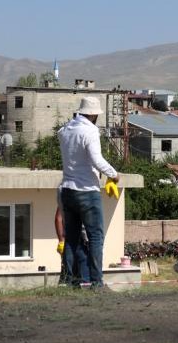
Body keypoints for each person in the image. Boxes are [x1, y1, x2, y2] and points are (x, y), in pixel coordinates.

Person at [58, 96, 119, 289]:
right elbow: (96, 159)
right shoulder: (90, 131)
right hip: (87, 191)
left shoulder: (65, 130)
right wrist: (113, 174)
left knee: (71, 238)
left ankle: (69, 280)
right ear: (93, 114)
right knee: (95, 237)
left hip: (67, 189)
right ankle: (96, 282)